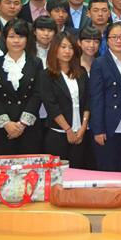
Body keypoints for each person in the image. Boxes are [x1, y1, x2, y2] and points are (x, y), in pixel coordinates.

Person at [0, 19, 43, 155]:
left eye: (21, 36)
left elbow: (37, 94)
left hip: (29, 128)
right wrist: (7, 124)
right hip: (3, 129)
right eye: (11, 37)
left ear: (27, 39)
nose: (16, 41)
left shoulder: (36, 63)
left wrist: (22, 124)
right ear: (4, 39)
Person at [89, 21, 121, 173]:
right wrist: (98, 129)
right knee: (109, 172)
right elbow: (96, 98)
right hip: (109, 127)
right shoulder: (100, 63)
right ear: (107, 40)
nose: (119, 40)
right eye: (114, 37)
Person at [40, 32, 92, 169]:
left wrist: (83, 127)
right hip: (58, 134)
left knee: (79, 173)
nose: (67, 51)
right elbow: (51, 106)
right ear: (55, 49)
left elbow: (87, 100)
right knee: (59, 175)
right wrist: (68, 130)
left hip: (81, 133)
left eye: (71, 47)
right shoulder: (46, 75)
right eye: (63, 47)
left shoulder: (81, 72)